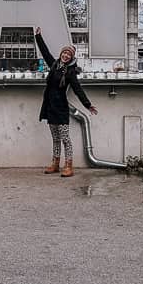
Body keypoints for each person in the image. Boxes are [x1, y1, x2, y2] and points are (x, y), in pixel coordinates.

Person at [34, 26, 97, 178]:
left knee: (65, 139)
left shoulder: (70, 72)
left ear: (72, 57)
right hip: (50, 106)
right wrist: (38, 37)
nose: (66, 55)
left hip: (61, 108)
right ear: (61, 54)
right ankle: (55, 164)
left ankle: (69, 165)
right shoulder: (54, 65)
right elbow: (45, 52)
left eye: (69, 54)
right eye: (64, 52)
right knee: (55, 138)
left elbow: (78, 90)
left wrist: (88, 105)